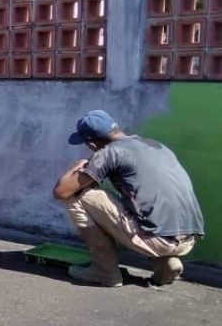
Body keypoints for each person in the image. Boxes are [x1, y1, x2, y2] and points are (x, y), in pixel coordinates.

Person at [53, 110, 204, 287]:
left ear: (92, 144)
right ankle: (165, 263)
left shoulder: (109, 153)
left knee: (77, 196)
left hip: (157, 240)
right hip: (188, 239)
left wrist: (76, 167)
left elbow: (61, 191)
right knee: (140, 205)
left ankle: (104, 271)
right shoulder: (155, 145)